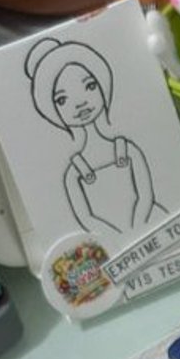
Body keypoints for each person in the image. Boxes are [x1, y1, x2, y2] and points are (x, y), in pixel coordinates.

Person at [27, 36, 161, 241]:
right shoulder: (74, 173)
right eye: (62, 100)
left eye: (89, 86)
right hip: (113, 243)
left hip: (152, 227)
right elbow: (86, 218)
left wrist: (138, 230)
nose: (80, 103)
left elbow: (146, 196)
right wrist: (121, 239)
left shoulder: (128, 150)